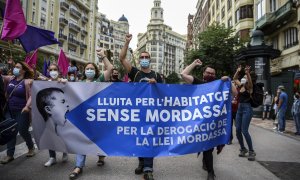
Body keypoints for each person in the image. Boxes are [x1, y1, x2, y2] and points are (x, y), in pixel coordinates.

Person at [181, 59, 237, 180]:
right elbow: (183, 75)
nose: (210, 75)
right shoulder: (198, 83)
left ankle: (210, 172)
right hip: (200, 123)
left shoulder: (219, 85)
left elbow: (235, 92)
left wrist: (228, 79)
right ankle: (209, 168)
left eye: (212, 73)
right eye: (208, 72)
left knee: (208, 148)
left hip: (213, 124)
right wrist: (194, 64)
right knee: (205, 147)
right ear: (203, 74)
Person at [119, 34, 162, 180]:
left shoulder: (157, 75)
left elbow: (165, 94)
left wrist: (155, 85)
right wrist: (127, 42)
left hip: (152, 114)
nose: (143, 59)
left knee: (148, 139)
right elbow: (122, 58)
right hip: (137, 113)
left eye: (146, 57)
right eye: (141, 57)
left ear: (150, 60)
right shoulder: (135, 72)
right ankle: (141, 162)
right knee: (139, 139)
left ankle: (148, 169)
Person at [69, 48, 113, 180]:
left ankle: (101, 155)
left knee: (98, 138)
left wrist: (103, 56)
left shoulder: (99, 80)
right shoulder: (79, 83)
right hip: (84, 117)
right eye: (87, 68)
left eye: (91, 69)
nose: (89, 70)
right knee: (82, 140)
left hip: (98, 116)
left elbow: (110, 68)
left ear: (95, 71)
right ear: (84, 71)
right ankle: (78, 166)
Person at [1, 61, 35, 164]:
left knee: (23, 130)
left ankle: (31, 147)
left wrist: (27, 106)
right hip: (9, 110)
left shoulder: (28, 81)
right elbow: (1, 76)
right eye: (14, 66)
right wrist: (9, 63)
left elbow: (31, 95)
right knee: (10, 130)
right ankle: (10, 155)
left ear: (23, 70)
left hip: (22, 110)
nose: (15, 68)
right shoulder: (10, 79)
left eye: (17, 67)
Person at [40, 63, 68, 167]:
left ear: (59, 71)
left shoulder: (63, 81)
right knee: (50, 132)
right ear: (48, 71)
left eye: (55, 69)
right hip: (49, 111)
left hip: (61, 111)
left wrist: (65, 82)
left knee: (62, 132)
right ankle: (52, 157)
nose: (53, 72)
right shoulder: (44, 83)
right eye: (51, 70)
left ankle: (64, 152)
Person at [233, 65, 257, 161]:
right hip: (239, 109)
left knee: (244, 130)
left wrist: (247, 73)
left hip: (247, 109)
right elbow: (234, 78)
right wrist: (238, 71)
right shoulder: (241, 86)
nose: (243, 78)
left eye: (245, 77)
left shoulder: (250, 87)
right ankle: (243, 149)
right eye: (243, 77)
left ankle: (251, 151)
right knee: (238, 130)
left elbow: (250, 83)